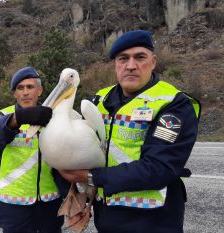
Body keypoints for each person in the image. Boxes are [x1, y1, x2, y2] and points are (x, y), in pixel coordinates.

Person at [59, 30, 201, 233]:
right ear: (115, 64)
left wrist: (90, 177)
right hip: (108, 218)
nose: (131, 66)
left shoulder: (172, 103)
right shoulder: (99, 100)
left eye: (140, 57)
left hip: (153, 221)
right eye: (123, 59)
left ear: (153, 62)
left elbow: (159, 168)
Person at [0, 66, 67, 233]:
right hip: (14, 203)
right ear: (14, 93)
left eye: (30, 87)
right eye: (20, 88)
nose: (25, 92)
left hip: (49, 201)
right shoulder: (3, 115)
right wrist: (17, 119)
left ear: (40, 90)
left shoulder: (55, 116)